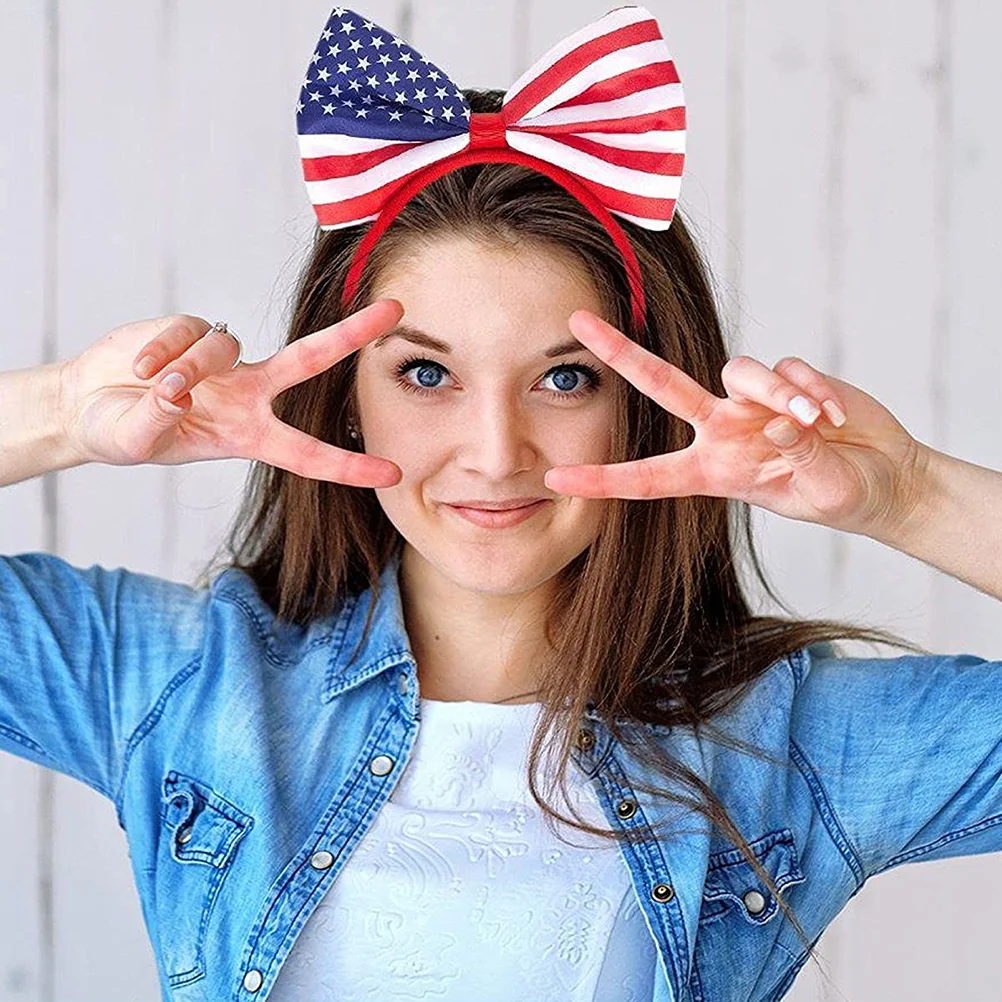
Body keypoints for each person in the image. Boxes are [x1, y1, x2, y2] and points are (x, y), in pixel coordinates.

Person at [3, 6, 1002, 1002]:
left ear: (642, 406)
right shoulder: (184, 685)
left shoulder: (788, 739)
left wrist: (904, 494)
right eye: (428, 375)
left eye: (564, 381)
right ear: (346, 394)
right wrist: (62, 413)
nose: (494, 455)